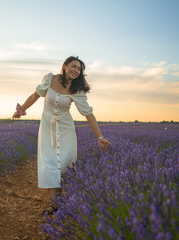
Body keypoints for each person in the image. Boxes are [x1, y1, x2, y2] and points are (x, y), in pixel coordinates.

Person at [12, 56, 112, 215]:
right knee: (50, 163)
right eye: (73, 66)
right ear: (64, 66)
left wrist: (100, 138)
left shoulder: (77, 90)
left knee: (63, 164)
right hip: (47, 127)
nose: (76, 71)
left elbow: (89, 114)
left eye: (79, 69)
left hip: (66, 130)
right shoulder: (50, 79)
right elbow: (35, 96)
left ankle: (62, 200)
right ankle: (54, 204)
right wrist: (21, 110)